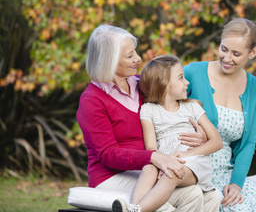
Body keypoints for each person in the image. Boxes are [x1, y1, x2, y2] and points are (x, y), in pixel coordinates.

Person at [76, 24, 222, 212]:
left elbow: (176, 104)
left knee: (210, 196)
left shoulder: (141, 85)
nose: (138, 58)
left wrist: (198, 133)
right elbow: (107, 154)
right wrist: (153, 157)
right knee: (176, 201)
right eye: (130, 56)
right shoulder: (92, 101)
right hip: (113, 176)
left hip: (150, 168)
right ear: (108, 61)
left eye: (135, 52)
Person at [181, 18, 256, 212]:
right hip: (194, 168)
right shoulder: (193, 72)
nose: (227, 58)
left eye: (236, 54)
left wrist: (236, 184)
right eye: (224, 49)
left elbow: (249, 142)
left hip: (226, 172)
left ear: (252, 53)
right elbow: (161, 101)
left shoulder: (255, 88)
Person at [113, 55, 223, 212]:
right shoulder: (148, 110)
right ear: (163, 85)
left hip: (194, 163)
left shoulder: (192, 108)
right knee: (149, 167)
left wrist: (185, 155)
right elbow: (151, 148)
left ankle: (138, 210)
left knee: (171, 173)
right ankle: (133, 207)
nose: (187, 82)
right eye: (181, 78)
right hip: (167, 163)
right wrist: (161, 163)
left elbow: (216, 142)